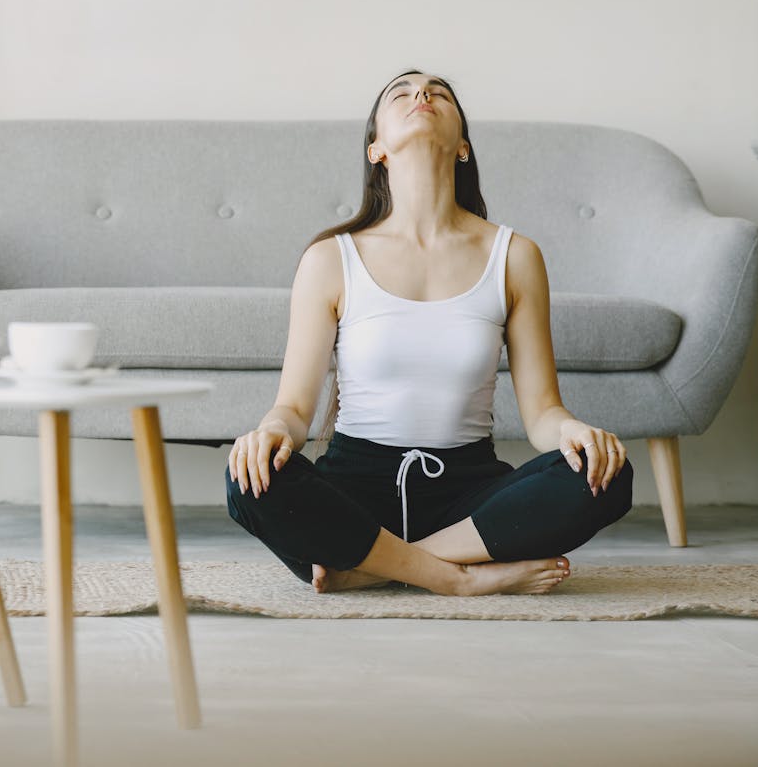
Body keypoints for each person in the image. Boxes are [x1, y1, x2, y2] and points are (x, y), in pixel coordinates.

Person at [225, 69, 633, 596]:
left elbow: (542, 414)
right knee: (246, 480)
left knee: (610, 474)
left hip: (469, 493)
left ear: (463, 145)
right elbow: (295, 411)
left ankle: (368, 569)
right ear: (376, 149)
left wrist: (574, 433)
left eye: (438, 92)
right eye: (403, 92)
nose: (422, 95)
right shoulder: (331, 258)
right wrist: (270, 433)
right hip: (354, 486)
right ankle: (456, 578)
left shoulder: (515, 256)